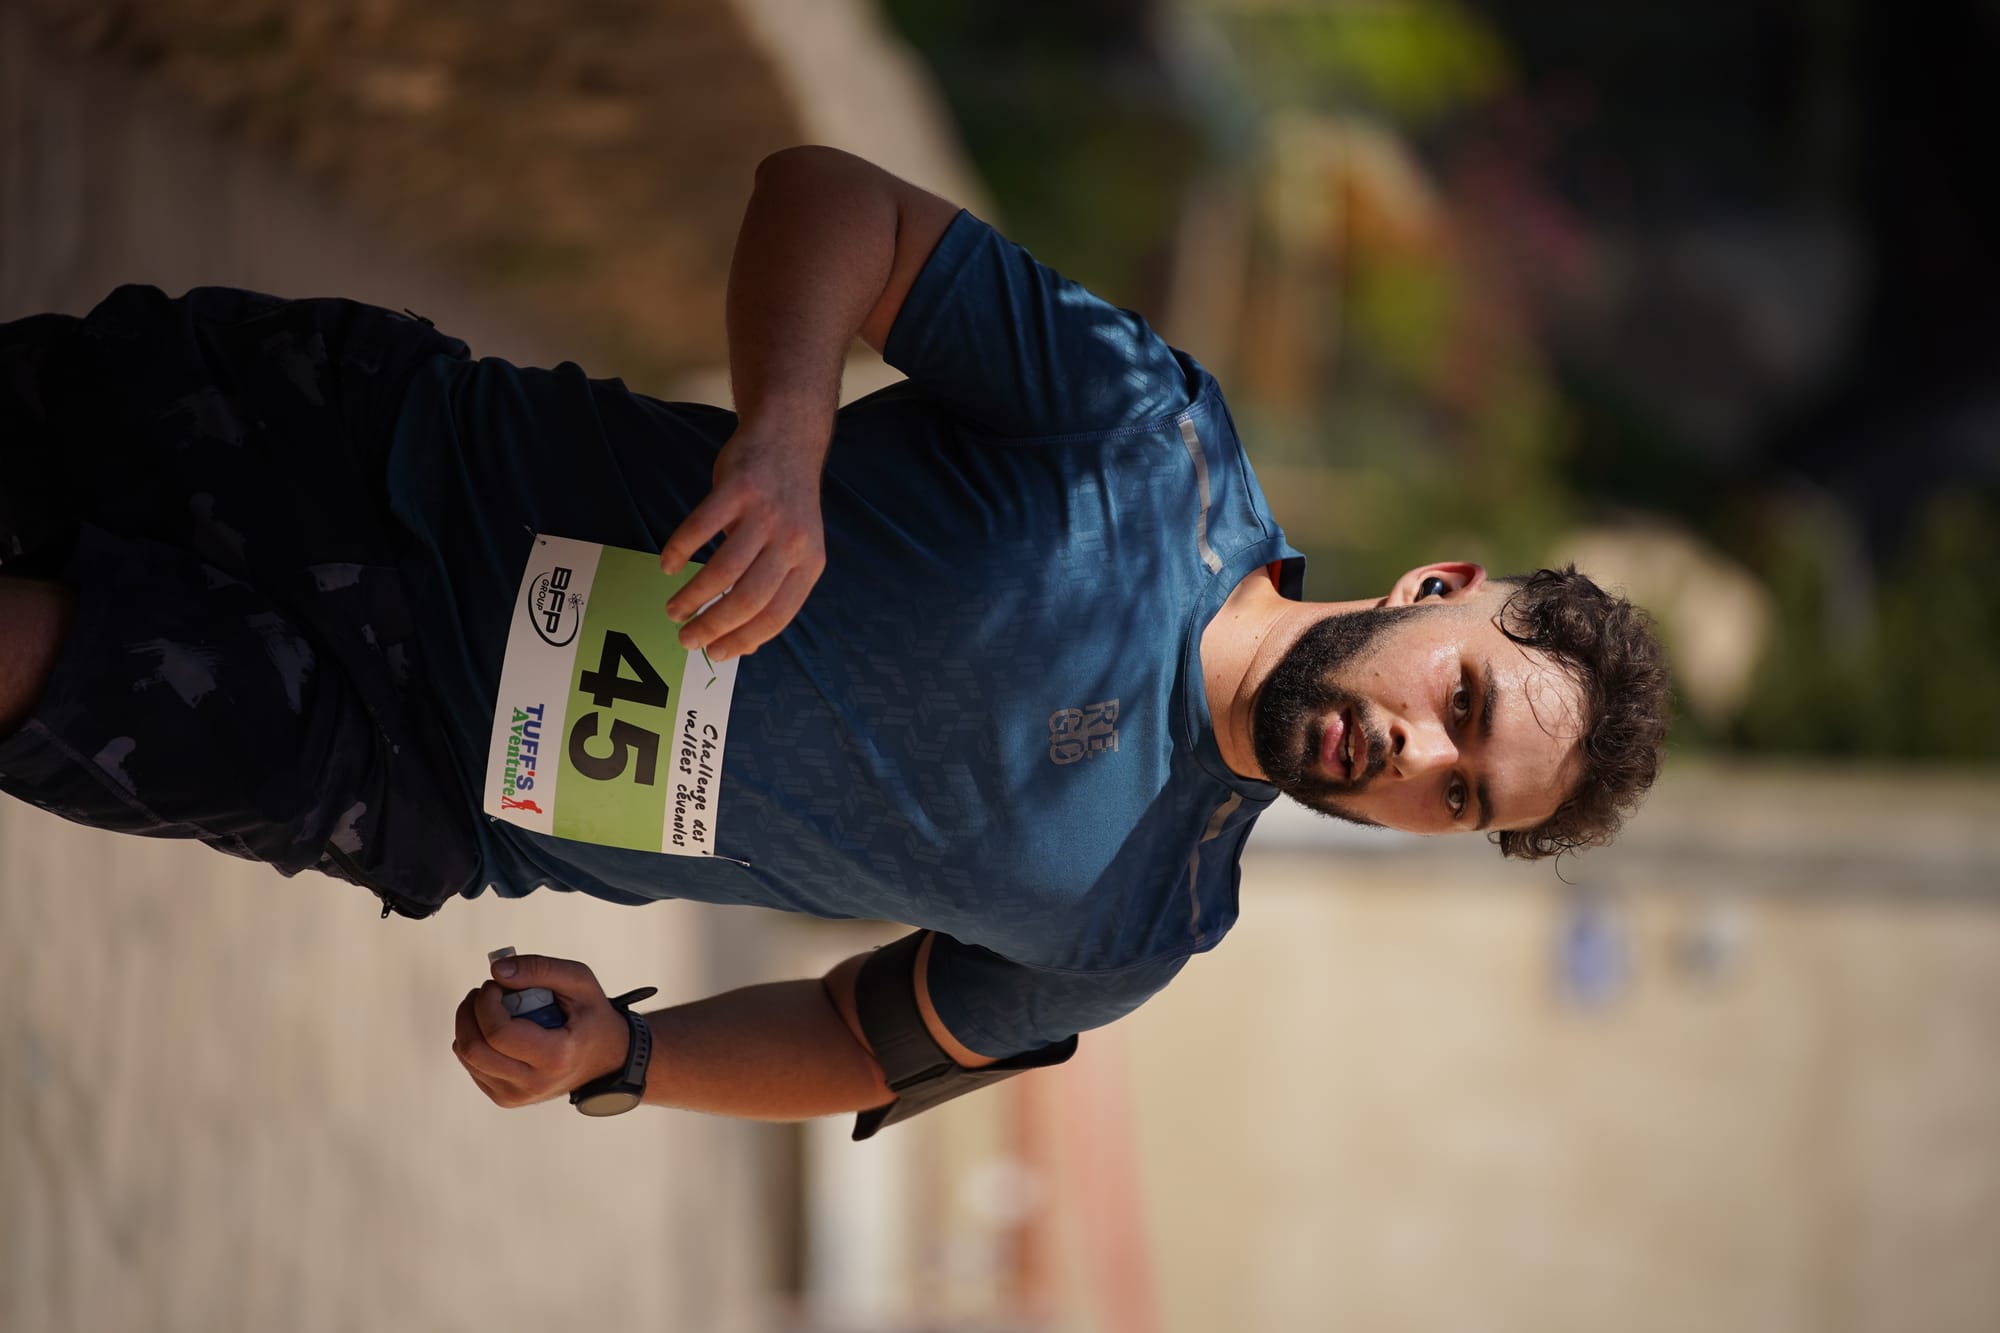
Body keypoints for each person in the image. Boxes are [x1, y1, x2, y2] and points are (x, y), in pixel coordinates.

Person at [0, 146, 1671, 1134]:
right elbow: (831, 203)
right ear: (1440, 586)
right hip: (383, 455)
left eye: (1464, 795)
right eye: (1464, 701)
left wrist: (628, 1055)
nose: (1421, 754)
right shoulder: (1149, 438)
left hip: (401, 771)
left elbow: (867, 1037)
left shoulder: (1141, 927)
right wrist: (787, 436)